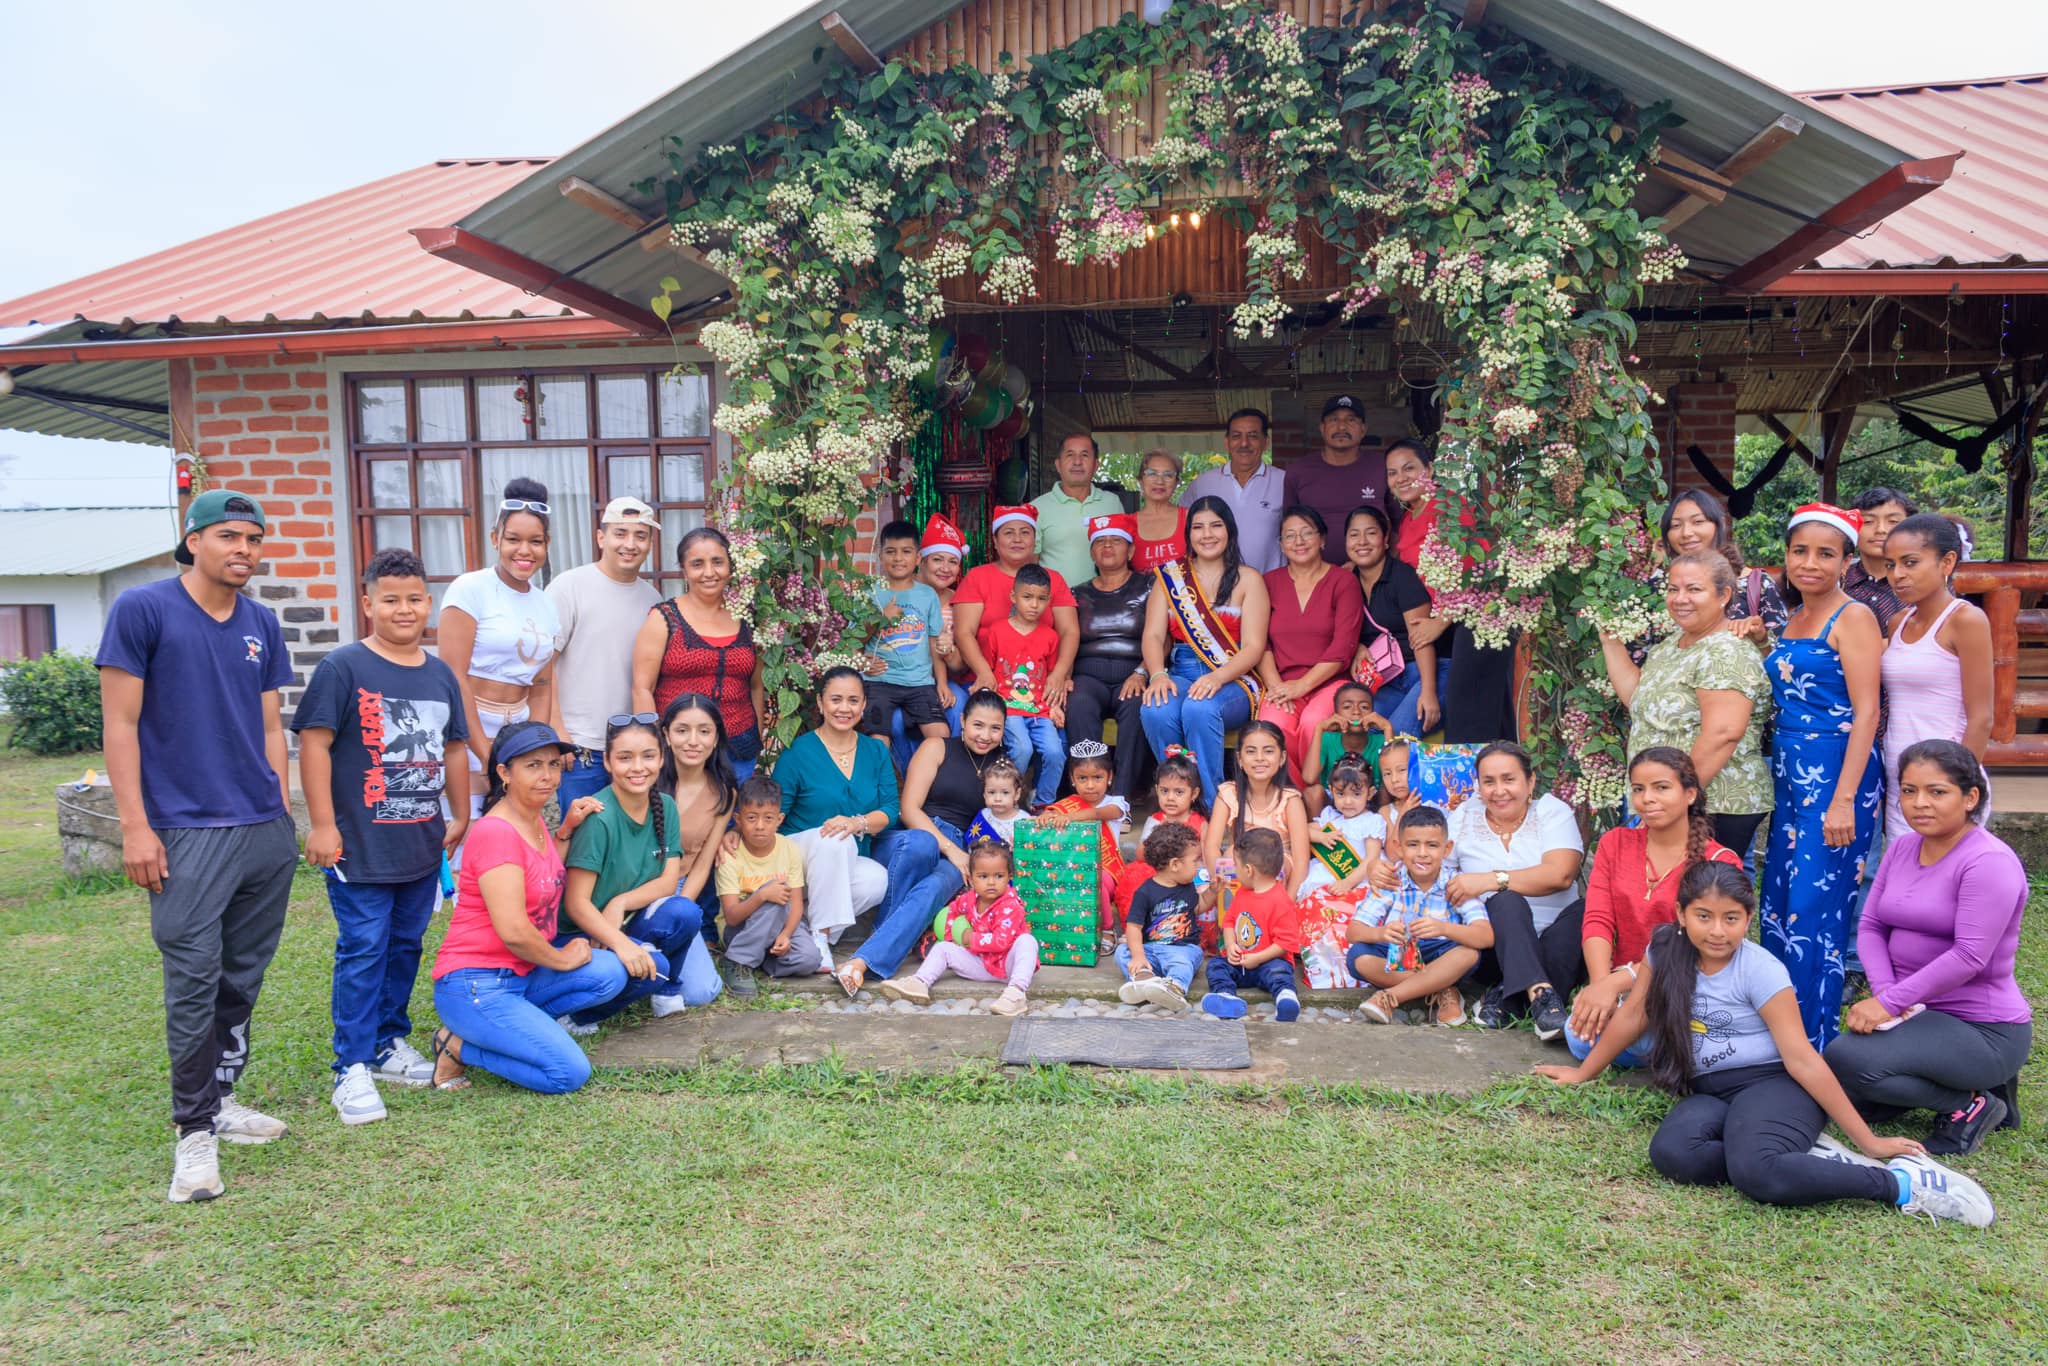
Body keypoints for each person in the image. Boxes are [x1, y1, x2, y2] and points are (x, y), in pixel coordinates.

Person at [1538, 862, 1994, 1226]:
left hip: (1774, 1086)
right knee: (1673, 1154)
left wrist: (1870, 1141)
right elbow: (1633, 1016)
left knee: (1758, 1173)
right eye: (1703, 916)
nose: (1717, 931)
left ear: (1748, 919)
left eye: (1731, 919)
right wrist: (1584, 1072)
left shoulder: (1761, 970)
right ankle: (1792, 1155)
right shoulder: (1664, 950)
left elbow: (1803, 1060)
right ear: (1680, 914)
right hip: (1710, 1090)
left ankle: (1899, 1185)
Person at [98, 488, 299, 1201]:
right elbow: (120, 724)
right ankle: (193, 1135)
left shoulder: (260, 622)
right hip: (184, 829)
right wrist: (135, 825)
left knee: (241, 976)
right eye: (228, 536)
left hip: (261, 828)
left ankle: (221, 1099)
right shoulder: (143, 610)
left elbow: (270, 724)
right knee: (193, 979)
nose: (243, 549)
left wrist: (281, 808)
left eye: (253, 538)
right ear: (193, 540)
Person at [294, 549, 470, 1127]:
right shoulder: (343, 667)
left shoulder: (439, 674)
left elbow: (453, 748)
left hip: (420, 842)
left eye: (414, 598)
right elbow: (314, 743)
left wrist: (460, 813)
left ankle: (388, 1043)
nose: (404, 609)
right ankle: (350, 1065)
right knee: (364, 947)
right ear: (368, 603)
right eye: (390, 599)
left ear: (429, 603)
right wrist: (323, 824)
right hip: (359, 846)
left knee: (405, 945)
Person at [1826, 742, 2030, 1156]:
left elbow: (1970, 955)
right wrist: (1888, 994)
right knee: (1849, 1078)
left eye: (1937, 792)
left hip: (1981, 1027)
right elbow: (1872, 925)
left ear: (1970, 798)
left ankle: (1971, 1104)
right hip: (1916, 1014)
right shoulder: (1903, 847)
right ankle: (1935, 1083)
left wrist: (1890, 1003)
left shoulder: (1988, 862)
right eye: (1909, 790)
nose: (1920, 803)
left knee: (1846, 1057)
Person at [427, 722, 627, 1096]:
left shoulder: (531, 821)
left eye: (553, 764)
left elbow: (542, 874)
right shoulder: (496, 832)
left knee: (609, 973)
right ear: (504, 772)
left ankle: (514, 1028)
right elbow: (515, 932)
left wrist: (566, 830)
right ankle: (457, 1046)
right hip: (477, 984)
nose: (547, 776)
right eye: (533, 766)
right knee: (567, 1072)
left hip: (522, 974)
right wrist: (562, 960)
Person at [1760, 503, 1883, 1050]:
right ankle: (1774, 1031)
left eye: (1825, 554)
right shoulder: (1793, 616)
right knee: (1780, 899)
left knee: (1814, 909)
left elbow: (1868, 712)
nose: (1810, 563)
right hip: (1791, 775)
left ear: (1847, 561)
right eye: (1800, 551)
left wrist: (1844, 799)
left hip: (1836, 773)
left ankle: (1811, 1040)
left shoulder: (1853, 617)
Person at [1562, 748, 1743, 1066]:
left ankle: (1677, 1044)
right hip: (1628, 992)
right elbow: (1598, 919)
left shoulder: (1718, 861)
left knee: (1618, 1036)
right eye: (1638, 789)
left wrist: (1620, 981)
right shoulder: (1615, 843)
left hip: (1687, 992)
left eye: (1661, 787)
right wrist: (1602, 989)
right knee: (1578, 1036)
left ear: (1690, 794)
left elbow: (1701, 949)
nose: (1647, 799)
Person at [1599, 550, 1775, 860]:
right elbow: (1639, 700)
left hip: (1712, 802)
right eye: (1673, 589)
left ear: (1724, 596)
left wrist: (1678, 797)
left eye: (1694, 589)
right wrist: (1610, 641)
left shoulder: (1726, 649)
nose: (1680, 599)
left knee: (1697, 888)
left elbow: (1723, 733)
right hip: (1668, 798)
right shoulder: (1672, 644)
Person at [773, 668, 939, 982]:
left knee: (876, 880)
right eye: (835, 699)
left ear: (863, 705)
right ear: (820, 703)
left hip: (848, 855)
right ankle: (821, 937)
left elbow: (890, 810)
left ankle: (804, 927)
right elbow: (775, 814)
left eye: (853, 700)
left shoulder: (875, 750)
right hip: (798, 854)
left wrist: (856, 822)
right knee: (834, 839)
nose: (844, 708)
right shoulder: (797, 752)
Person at [558, 714, 719, 1028]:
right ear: (607, 762)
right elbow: (575, 903)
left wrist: (619, 903)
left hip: (627, 919)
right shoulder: (599, 817)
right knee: (654, 968)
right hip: (586, 934)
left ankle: (663, 990)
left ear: (661, 759)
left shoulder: (665, 806)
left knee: (685, 912)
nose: (637, 767)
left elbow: (668, 882)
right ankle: (579, 1015)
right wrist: (620, 943)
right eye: (625, 758)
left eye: (648, 756)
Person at [1429, 742, 1585, 1039]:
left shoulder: (1552, 811)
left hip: (1558, 943)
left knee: (1585, 911)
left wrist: (1490, 879)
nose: (1499, 790)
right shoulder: (1465, 815)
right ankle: (1541, 997)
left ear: (1531, 781)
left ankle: (1506, 1000)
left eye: (1509, 779)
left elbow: (1561, 874)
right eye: (1489, 781)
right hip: (1495, 949)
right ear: (1479, 786)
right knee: (1506, 901)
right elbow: (1434, 872)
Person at [439, 477, 561, 818]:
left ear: (547, 544)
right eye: (513, 539)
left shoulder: (546, 604)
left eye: (535, 541)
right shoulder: (470, 590)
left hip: (517, 730)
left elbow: (541, 685)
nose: (525, 551)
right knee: (468, 828)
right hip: (468, 728)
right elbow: (453, 676)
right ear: (495, 539)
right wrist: (485, 753)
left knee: (515, 827)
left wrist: (532, 746)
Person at [875, 690, 1013, 987]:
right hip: (919, 835)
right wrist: (949, 848)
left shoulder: (1003, 766)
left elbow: (1006, 816)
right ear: (962, 721)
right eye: (978, 725)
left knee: (935, 887)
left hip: (964, 847)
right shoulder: (937, 747)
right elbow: (909, 809)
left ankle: (868, 960)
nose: (985, 736)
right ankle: (883, 939)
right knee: (921, 846)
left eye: (995, 728)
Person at [1140, 497, 1272, 803]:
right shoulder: (1169, 578)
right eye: (1198, 527)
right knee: (1156, 708)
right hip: (1182, 668)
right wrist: (1157, 675)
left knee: (1199, 708)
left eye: (1216, 525)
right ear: (1188, 534)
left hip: (1234, 676)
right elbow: (1153, 635)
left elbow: (1254, 647)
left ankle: (1214, 805)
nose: (1207, 534)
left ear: (1229, 531)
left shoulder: (1249, 580)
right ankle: (1178, 799)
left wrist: (1217, 678)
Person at [1388, 439, 1514, 744]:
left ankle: (1474, 774)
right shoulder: (1408, 519)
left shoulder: (1449, 508)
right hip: (1450, 624)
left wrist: (1439, 622)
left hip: (1480, 617)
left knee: (1468, 710)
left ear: (1430, 469)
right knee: (1484, 710)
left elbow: (1479, 572)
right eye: (1392, 473)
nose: (1401, 478)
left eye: (1409, 468)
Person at [1878, 515, 1993, 839]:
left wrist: (1957, 787)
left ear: (1947, 562)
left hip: (1946, 780)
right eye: (1890, 565)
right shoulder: (1898, 622)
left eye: (1910, 562)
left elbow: (1982, 718)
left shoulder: (1965, 620)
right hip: (1902, 776)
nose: (1898, 574)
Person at [548, 496, 662, 806]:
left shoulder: (652, 599)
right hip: (581, 746)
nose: (630, 544)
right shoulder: (569, 587)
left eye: (640, 536)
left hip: (632, 749)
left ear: (650, 543)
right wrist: (557, 730)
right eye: (620, 533)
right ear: (601, 537)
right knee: (581, 830)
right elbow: (543, 665)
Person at [632, 526, 765, 780]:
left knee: (733, 807)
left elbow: (756, 685)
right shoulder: (664, 618)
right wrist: (653, 747)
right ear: (684, 570)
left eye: (717, 562)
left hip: (739, 749)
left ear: (730, 566)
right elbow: (642, 689)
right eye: (697, 564)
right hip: (679, 752)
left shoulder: (747, 618)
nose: (709, 572)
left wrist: (757, 734)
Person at [1348, 805, 1493, 1026]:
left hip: (1442, 953)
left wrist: (1444, 929)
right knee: (1359, 956)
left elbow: (1485, 936)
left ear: (1447, 848)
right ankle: (1441, 987)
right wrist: (1381, 933)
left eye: (1432, 845)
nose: (1422, 853)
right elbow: (1353, 932)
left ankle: (1390, 997)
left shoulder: (1457, 884)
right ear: (1399, 847)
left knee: (1468, 953)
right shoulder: (1391, 881)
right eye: (1413, 844)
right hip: (1399, 955)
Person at [1257, 504, 1365, 783]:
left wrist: (1302, 686)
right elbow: (1261, 643)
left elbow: (1343, 646)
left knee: (1313, 723)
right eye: (1289, 535)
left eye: (1307, 533)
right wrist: (1277, 687)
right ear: (1281, 544)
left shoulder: (1343, 582)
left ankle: (1320, 795)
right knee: (1272, 727)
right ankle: (1292, 796)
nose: (1299, 541)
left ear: (1323, 539)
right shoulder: (1268, 583)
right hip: (1282, 682)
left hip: (1331, 683)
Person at [877, 841, 1038, 1017]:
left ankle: (1016, 993)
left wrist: (971, 938)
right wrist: (956, 937)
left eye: (999, 876)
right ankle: (919, 982)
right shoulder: (969, 899)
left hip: (1008, 965)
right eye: (983, 876)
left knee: (1027, 941)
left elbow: (1001, 941)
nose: (991, 882)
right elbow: (951, 913)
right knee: (943, 948)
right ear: (971, 878)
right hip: (981, 963)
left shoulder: (1011, 906)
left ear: (1009, 876)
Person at [952, 505, 1080, 721]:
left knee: (1058, 729)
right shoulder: (977, 577)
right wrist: (984, 672)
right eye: (1009, 533)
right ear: (995, 541)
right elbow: (964, 632)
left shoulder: (1054, 579)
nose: (1017, 539)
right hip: (987, 679)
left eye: (1025, 532)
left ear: (1034, 540)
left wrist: (1059, 674)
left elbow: (1070, 631)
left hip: (1041, 683)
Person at [655, 692, 746, 992]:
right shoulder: (646, 779)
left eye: (704, 731)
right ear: (666, 735)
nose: (693, 741)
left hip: (679, 890)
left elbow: (703, 864)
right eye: (682, 730)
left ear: (716, 737)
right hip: (635, 886)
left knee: (701, 991)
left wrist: (679, 911)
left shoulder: (724, 792)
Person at [1066, 512, 1155, 799]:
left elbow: (1162, 637)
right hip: (1088, 675)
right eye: (1100, 541)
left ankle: (1120, 799)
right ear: (1091, 552)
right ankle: (1089, 795)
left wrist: (1142, 671)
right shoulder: (1076, 593)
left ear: (1130, 550)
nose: (1107, 546)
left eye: (1116, 541)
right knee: (1078, 705)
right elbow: (1065, 639)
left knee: (1138, 706)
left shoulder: (1150, 586)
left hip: (1134, 672)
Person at [1344, 505, 1443, 738]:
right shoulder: (1347, 581)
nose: (1362, 541)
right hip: (1386, 678)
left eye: (1371, 533)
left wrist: (1428, 692)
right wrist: (1357, 647)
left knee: (1397, 733)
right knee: (1362, 732)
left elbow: (1421, 638)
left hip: (1422, 672)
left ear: (1386, 539)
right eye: (1354, 534)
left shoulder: (1401, 576)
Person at [1295, 755, 1389, 991]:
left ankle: (1352, 969)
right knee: (1314, 907)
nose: (1348, 801)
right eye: (1340, 794)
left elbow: (1372, 858)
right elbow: (1303, 829)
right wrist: (1321, 836)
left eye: (1356, 794)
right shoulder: (1330, 816)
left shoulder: (1372, 821)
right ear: (1331, 791)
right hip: (1326, 875)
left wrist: (1348, 882)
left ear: (1370, 792)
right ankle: (1323, 967)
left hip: (1358, 879)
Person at [862, 518, 952, 766]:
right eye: (891, 551)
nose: (898, 558)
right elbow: (855, 639)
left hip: (920, 682)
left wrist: (941, 683)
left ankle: (928, 786)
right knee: (878, 741)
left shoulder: (927, 595)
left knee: (941, 736)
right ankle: (881, 786)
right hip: (880, 681)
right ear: (881, 556)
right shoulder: (871, 592)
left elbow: (934, 643)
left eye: (906, 552)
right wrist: (880, 619)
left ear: (918, 558)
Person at [715, 774, 822, 980]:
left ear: (779, 820)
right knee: (775, 893)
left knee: (809, 959)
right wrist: (762, 896)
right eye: (751, 818)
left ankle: (755, 960)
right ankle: (737, 961)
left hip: (781, 924)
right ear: (738, 819)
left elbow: (796, 905)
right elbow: (732, 917)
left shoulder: (789, 849)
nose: (760, 826)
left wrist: (786, 935)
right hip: (741, 930)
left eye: (768, 818)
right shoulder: (730, 854)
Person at [1657, 489, 1785, 647]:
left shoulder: (1756, 584)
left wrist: (1761, 640)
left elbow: (1783, 654)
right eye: (1675, 525)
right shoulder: (1655, 588)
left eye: (1698, 522)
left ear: (1719, 525)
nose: (1686, 533)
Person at [1200, 827, 1302, 1021]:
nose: (1235, 870)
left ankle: (1286, 997)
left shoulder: (1280, 901)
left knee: (1280, 972)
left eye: (1236, 866)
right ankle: (1225, 996)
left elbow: (1285, 944)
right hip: (1241, 963)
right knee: (1216, 966)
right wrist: (1230, 944)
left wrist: (1258, 958)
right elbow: (1229, 922)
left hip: (1269, 961)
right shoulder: (1242, 893)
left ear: (1248, 870)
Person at [1036, 739, 1132, 945]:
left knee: (1094, 878)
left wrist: (1070, 817)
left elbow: (1098, 814)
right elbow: (1050, 816)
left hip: (1108, 870)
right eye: (1082, 778)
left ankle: (1107, 929)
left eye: (1097, 777)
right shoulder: (1066, 805)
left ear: (1109, 777)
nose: (1090, 785)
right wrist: (1046, 817)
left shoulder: (1116, 803)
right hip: (1075, 866)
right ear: (1072, 779)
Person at [1202, 722, 1311, 898]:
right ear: (1240, 759)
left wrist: (1289, 902)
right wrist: (1219, 883)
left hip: (1278, 866)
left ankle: (1268, 908)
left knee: (1272, 861)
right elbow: (1212, 846)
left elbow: (1301, 861)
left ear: (1282, 757)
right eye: (1251, 751)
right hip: (1241, 867)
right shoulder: (1228, 794)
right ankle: (1231, 908)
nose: (1259, 758)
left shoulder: (1290, 800)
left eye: (1268, 751)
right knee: (1229, 854)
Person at [988, 563, 1067, 807]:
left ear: (1049, 601)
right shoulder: (997, 631)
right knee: (1022, 748)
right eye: (1027, 597)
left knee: (1055, 752)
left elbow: (1051, 677)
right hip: (1008, 709)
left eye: (1042, 599)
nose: (1034, 605)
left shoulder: (1050, 636)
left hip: (1039, 711)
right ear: (1014, 596)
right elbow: (987, 672)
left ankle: (1043, 803)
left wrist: (1055, 706)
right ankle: (1009, 800)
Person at [1283, 394, 1389, 562]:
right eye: (1333, 420)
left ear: (1363, 429)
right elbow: (1288, 527)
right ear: (1322, 428)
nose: (1341, 427)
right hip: (1314, 573)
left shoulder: (1382, 467)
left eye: (1351, 420)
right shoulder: (1298, 471)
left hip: (1372, 573)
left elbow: (1399, 526)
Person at [1182, 407, 1286, 573]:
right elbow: (1182, 529)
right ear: (1226, 442)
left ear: (1266, 442)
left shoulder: (1283, 481)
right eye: (1236, 436)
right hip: (1214, 584)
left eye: (1253, 436)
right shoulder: (1203, 483)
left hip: (1270, 583)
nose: (1244, 443)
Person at [1116, 821, 1207, 1009]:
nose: (1198, 865)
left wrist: (1213, 891)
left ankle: (1174, 987)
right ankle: (1144, 977)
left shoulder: (1188, 886)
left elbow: (1198, 907)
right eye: (1195, 861)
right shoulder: (1145, 892)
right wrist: (1138, 956)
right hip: (1150, 950)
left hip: (1182, 948)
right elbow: (1134, 927)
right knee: (1122, 952)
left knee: (1183, 962)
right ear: (1175, 864)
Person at [1031, 432, 1125, 584]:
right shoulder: (1036, 508)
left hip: (1103, 596)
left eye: (1084, 455)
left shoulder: (1111, 503)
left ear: (1096, 465)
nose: (1077, 462)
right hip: (1055, 597)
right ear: (1058, 465)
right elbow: (1030, 564)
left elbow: (1123, 554)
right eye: (1070, 455)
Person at [1300, 680, 1392, 814]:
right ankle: (1319, 827)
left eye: (1364, 707)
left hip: (1371, 805)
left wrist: (1387, 728)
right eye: (1347, 707)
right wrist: (1319, 729)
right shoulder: (1327, 739)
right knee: (1312, 792)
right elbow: (1309, 778)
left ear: (1373, 713)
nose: (1356, 712)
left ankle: (1384, 826)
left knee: (1386, 790)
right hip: (1335, 804)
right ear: (1336, 714)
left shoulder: (1381, 741)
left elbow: (1393, 777)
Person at [917, 514, 973, 734]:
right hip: (903, 680)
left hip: (942, 682)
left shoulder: (958, 602)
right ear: (922, 560)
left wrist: (948, 651)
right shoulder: (904, 594)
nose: (945, 568)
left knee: (958, 704)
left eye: (953, 562)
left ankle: (951, 756)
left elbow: (960, 666)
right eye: (937, 559)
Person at [1845, 486, 1918, 633]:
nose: (1881, 529)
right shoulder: (1837, 582)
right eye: (1868, 522)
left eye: (1893, 521)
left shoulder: (1925, 582)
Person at [1131, 449, 1189, 572]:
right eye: (1152, 473)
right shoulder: (1127, 524)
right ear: (1141, 481)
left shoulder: (1190, 518)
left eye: (1168, 475)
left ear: (1176, 483)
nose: (1159, 481)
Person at [966, 759, 1026, 848]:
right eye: (991, 792)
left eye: (1005, 793)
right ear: (984, 794)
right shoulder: (983, 816)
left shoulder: (1024, 820)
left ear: (1017, 794)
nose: (997, 799)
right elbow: (971, 845)